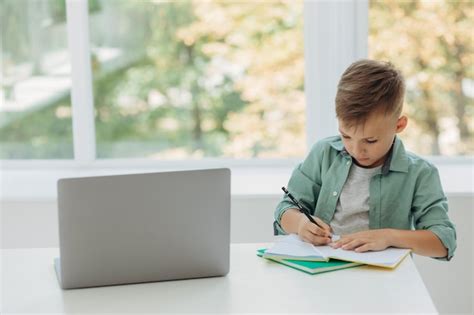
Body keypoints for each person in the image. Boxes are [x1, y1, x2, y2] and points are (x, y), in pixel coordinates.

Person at [274, 59, 456, 260]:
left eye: (370, 140)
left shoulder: (420, 173)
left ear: (399, 125)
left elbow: (444, 242)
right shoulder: (323, 153)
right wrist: (301, 224)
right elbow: (285, 211)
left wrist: (388, 237)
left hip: (384, 280)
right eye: (346, 136)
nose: (356, 149)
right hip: (321, 269)